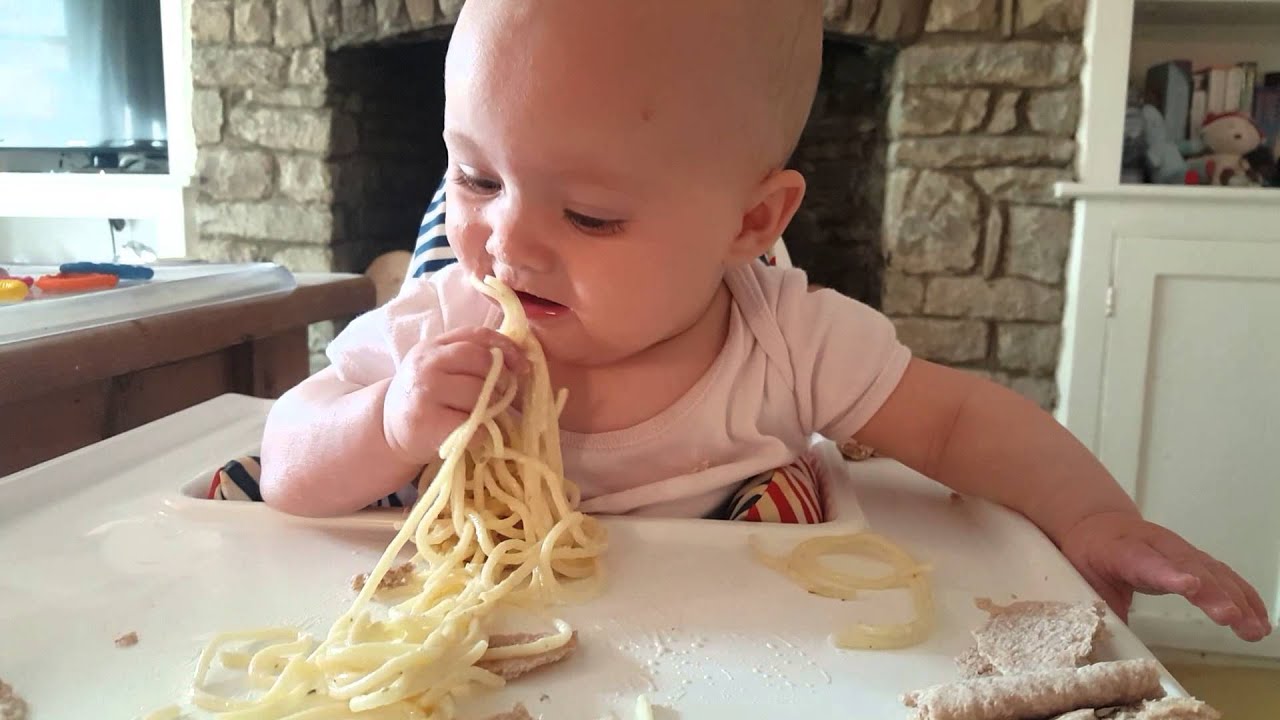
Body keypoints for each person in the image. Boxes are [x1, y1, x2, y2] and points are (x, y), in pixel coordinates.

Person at [259, 0, 1271, 642]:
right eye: (475, 177)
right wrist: (389, 422)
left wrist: (1091, 518)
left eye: (590, 214)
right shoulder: (441, 322)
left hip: (750, 659)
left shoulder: (786, 338)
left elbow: (960, 425)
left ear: (751, 221)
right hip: (483, 650)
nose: (505, 243)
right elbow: (288, 466)